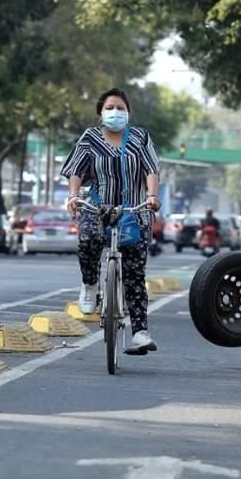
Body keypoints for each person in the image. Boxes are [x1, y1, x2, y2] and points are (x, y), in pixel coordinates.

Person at [62, 87, 161, 355]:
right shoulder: (90, 138)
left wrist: (152, 196)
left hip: (134, 210)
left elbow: (151, 169)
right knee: (87, 241)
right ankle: (90, 283)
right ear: (100, 113)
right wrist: (73, 195)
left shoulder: (140, 137)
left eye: (121, 108)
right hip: (97, 208)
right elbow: (75, 172)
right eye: (110, 108)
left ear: (128, 112)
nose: (115, 112)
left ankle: (140, 332)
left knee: (134, 274)